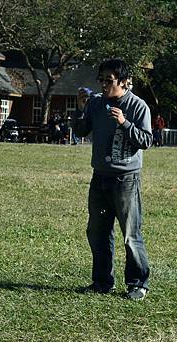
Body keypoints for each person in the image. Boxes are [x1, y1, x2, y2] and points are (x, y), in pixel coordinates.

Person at [72, 59, 152, 301]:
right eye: (102, 80)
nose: (104, 85)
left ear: (124, 82)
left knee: (130, 234)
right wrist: (81, 108)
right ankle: (102, 281)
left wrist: (124, 123)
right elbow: (81, 131)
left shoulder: (138, 107)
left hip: (126, 180)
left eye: (110, 80)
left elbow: (146, 141)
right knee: (97, 231)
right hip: (100, 178)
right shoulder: (96, 103)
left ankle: (138, 283)